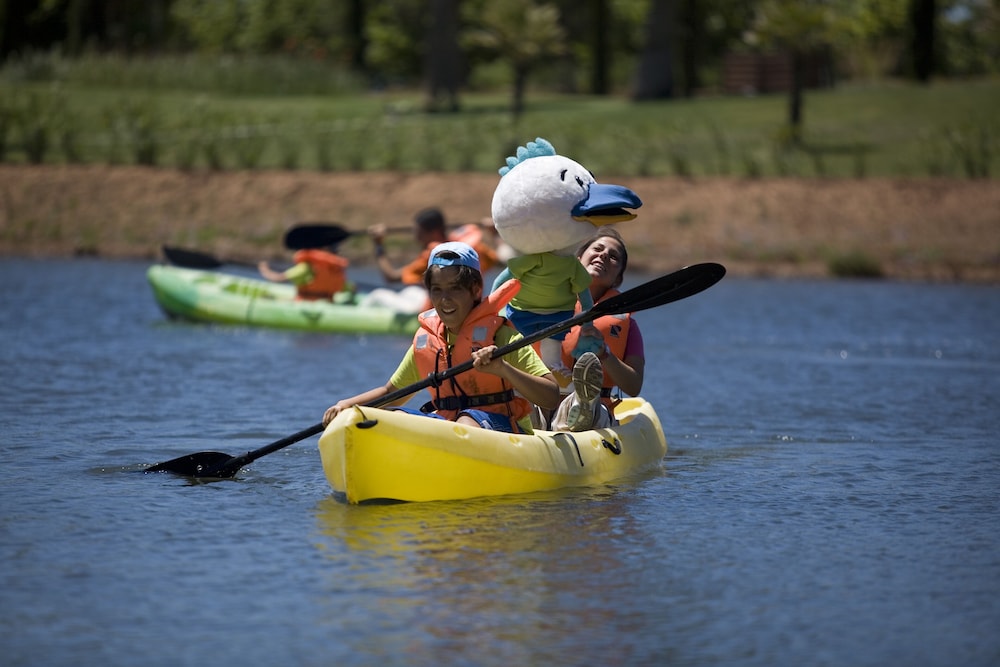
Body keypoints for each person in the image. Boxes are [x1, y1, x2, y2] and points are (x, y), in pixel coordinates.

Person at [323, 242, 560, 434]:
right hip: (449, 427)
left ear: (476, 289)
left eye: (455, 288)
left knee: (465, 424)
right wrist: (348, 406)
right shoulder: (428, 341)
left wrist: (503, 368)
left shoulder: (501, 336)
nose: (445, 299)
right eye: (437, 289)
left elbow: (550, 396)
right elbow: (392, 394)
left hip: (504, 429)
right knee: (388, 419)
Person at [549, 228, 644, 432]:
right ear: (579, 258)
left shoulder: (628, 326)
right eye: (598, 249)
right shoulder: (544, 307)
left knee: (587, 406)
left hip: (597, 411)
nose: (603, 256)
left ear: (618, 278)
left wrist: (604, 353)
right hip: (546, 398)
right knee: (536, 403)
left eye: (613, 257)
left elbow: (634, 386)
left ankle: (583, 404)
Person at [361, 207, 500, 313]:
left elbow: (391, 277)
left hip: (437, 311)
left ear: (433, 233)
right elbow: (500, 259)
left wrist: (378, 244)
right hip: (470, 306)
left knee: (377, 295)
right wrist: (495, 233)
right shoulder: (471, 249)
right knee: (410, 292)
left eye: (419, 233)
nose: (417, 238)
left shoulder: (434, 254)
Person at [257, 245, 352, 301]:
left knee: (267, 297)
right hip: (328, 305)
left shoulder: (306, 267)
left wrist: (264, 269)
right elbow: (350, 289)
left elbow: (279, 279)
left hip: (304, 305)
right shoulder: (336, 270)